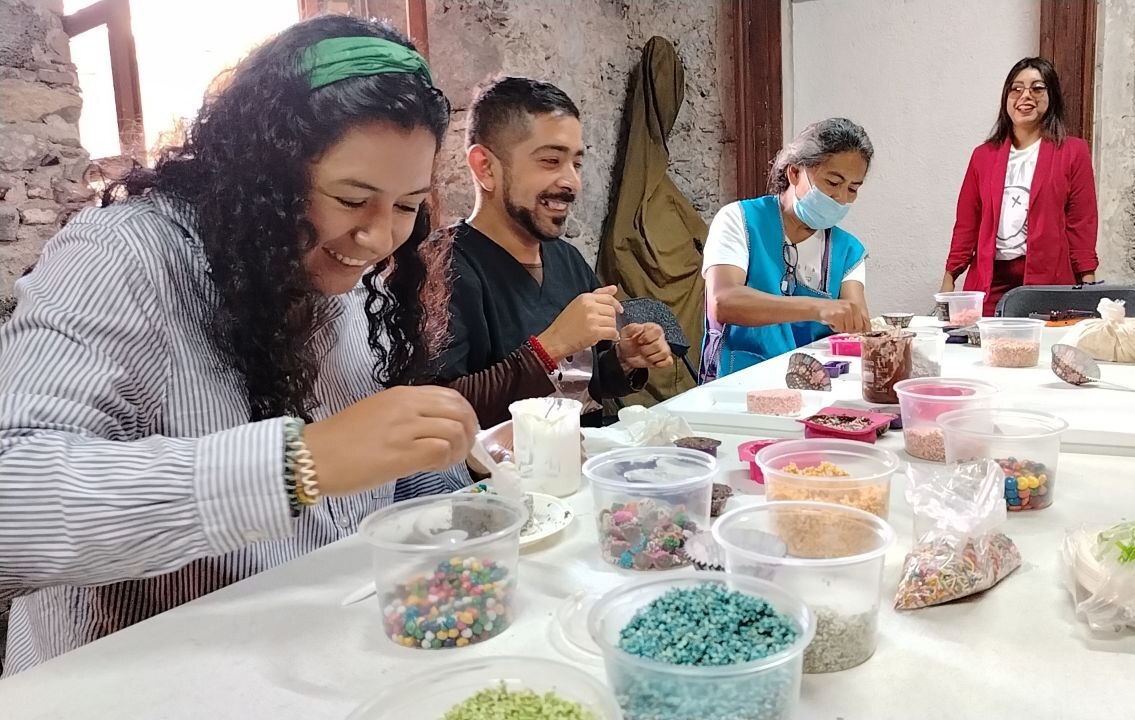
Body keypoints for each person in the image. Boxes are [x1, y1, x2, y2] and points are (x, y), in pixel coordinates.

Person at [0, 16, 476, 674]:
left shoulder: (351, 281)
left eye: (407, 206)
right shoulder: (127, 255)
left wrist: (444, 484)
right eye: (351, 198)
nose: (378, 238)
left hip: (314, 664)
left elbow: (384, 485)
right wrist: (296, 467)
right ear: (265, 170)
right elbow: (13, 504)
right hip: (136, 686)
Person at [434, 77, 672, 429]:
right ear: (485, 167)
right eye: (550, 161)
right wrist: (551, 346)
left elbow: (577, 386)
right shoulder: (442, 269)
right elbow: (442, 411)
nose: (572, 181)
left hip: (582, 466)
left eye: (576, 163)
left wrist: (622, 360)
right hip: (499, 481)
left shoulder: (567, 261)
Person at [700, 118, 874, 382]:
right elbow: (723, 302)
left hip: (813, 388)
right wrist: (818, 308)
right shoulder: (740, 220)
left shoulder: (848, 251)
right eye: (833, 182)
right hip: (735, 383)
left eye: (853, 188)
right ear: (794, 173)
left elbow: (854, 322)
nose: (842, 198)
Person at [941, 56, 1099, 316]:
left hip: (1048, 279)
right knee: (985, 348)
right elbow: (968, 223)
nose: (1026, 96)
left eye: (1037, 88)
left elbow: (1081, 223)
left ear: (1052, 96)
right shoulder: (983, 156)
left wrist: (1088, 283)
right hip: (991, 278)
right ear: (1007, 98)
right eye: (1016, 89)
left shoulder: (1073, 152)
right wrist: (950, 276)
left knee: (1042, 350)